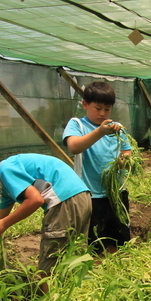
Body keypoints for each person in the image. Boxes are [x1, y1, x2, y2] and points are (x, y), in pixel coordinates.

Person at [0, 150, 91, 293]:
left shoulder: (6, 169)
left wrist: (4, 224)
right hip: (80, 196)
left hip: (64, 201)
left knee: (49, 265)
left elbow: (35, 200)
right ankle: (75, 296)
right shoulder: (8, 183)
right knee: (71, 255)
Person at [63, 81, 131, 254]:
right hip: (90, 194)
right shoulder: (77, 124)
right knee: (94, 238)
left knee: (119, 235)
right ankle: (96, 268)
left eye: (107, 109)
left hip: (116, 192)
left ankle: (116, 266)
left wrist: (124, 161)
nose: (102, 113)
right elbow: (74, 147)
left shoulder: (117, 129)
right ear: (85, 104)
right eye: (98, 108)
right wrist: (100, 131)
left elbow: (127, 151)